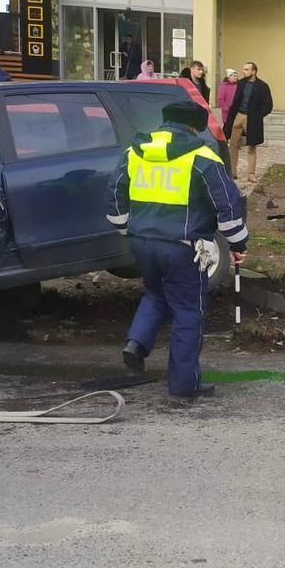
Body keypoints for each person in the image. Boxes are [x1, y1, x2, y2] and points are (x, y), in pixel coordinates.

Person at [107, 101, 249, 399]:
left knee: (155, 293)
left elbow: (115, 193)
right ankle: (185, 385)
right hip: (182, 248)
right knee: (188, 311)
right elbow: (227, 203)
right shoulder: (201, 156)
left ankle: (136, 344)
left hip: (142, 243)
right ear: (195, 127)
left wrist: (126, 228)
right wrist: (237, 244)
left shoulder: (136, 151)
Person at [225, 61, 274, 183]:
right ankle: (232, 172)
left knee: (252, 146)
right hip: (239, 115)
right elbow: (236, 101)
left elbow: (268, 105)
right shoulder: (241, 83)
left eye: (247, 69)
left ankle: (251, 174)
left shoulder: (262, 86)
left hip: (252, 118)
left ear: (254, 71)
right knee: (233, 144)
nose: (244, 71)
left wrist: (258, 115)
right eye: (243, 69)